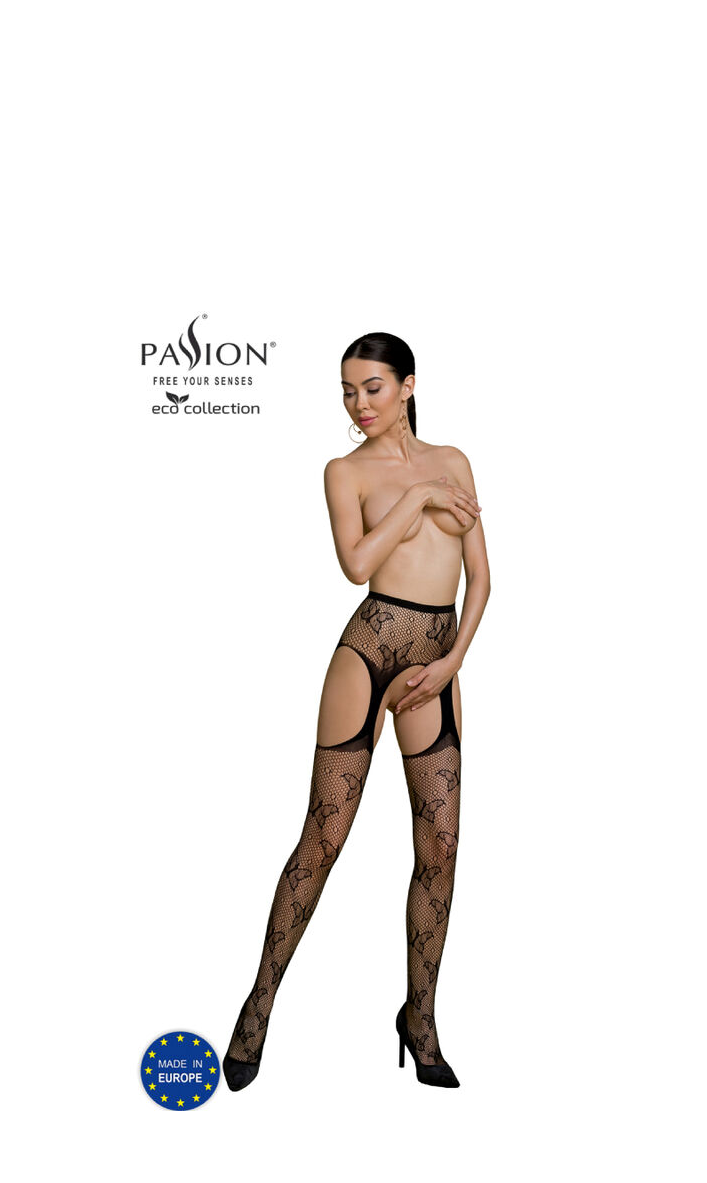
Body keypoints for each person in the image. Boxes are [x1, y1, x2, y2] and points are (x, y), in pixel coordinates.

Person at [223, 332, 491, 1090]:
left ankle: (421, 1018)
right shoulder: (345, 472)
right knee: (324, 836)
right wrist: (417, 498)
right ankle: (256, 1008)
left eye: (372, 387)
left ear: (408, 385)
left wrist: (453, 662)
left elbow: (482, 577)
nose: (358, 403)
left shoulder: (456, 460)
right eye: (348, 390)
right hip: (369, 651)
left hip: (436, 660)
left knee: (441, 845)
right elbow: (357, 564)